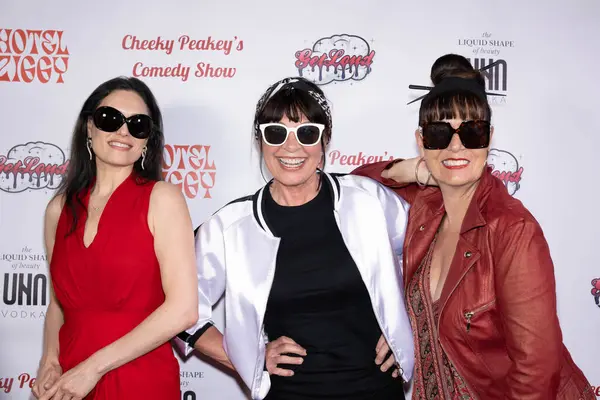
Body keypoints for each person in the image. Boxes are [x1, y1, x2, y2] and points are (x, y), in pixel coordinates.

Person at [353, 55, 594, 399]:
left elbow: (536, 374)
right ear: (421, 142)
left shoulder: (512, 230)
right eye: (439, 134)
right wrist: (414, 170)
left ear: (489, 137)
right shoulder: (425, 209)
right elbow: (354, 186)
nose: (455, 146)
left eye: (471, 131)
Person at [175, 77, 414, 400]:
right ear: (260, 141)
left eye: (306, 133)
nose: (291, 147)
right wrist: (250, 358)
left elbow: (425, 255)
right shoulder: (231, 226)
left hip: (376, 390)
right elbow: (180, 310)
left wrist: (409, 323)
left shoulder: (368, 200)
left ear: (324, 140)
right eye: (276, 132)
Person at [33, 77, 198, 400]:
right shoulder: (59, 209)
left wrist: (93, 368)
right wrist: (49, 360)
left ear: (147, 140)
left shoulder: (162, 199)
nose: (123, 131)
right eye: (110, 119)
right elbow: (58, 304)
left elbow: (183, 310)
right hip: (70, 382)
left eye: (138, 125)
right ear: (89, 128)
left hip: (138, 376)